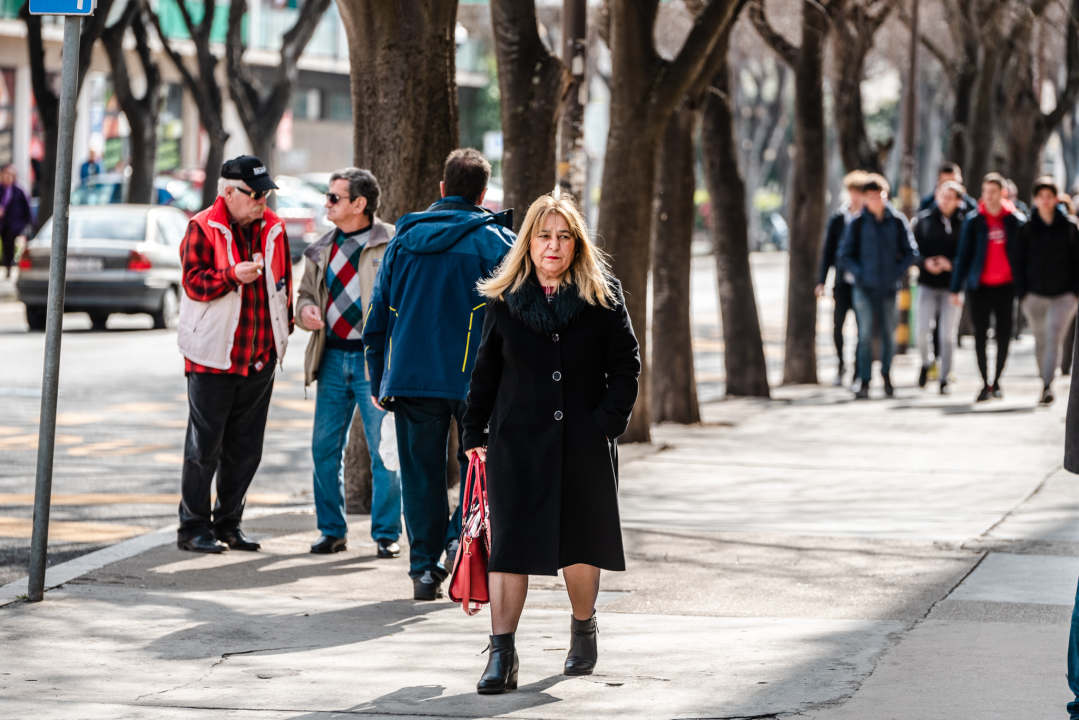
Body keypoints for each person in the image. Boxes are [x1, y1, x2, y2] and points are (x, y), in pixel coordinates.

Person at [461, 194, 640, 694]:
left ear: (576, 243)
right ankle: (502, 653)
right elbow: (485, 375)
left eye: (563, 236)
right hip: (516, 443)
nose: (553, 245)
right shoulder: (505, 297)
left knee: (581, 542)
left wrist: (605, 423)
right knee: (510, 549)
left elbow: (626, 366)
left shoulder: (603, 295)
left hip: (583, 442)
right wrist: (474, 433)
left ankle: (583, 629)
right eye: (544, 236)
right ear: (529, 243)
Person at [363, 148, 514, 600]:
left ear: (442, 189)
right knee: (484, 467)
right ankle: (457, 536)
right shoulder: (497, 244)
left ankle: (423, 571)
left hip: (411, 376)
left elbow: (378, 317)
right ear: (483, 194)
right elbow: (516, 319)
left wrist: (378, 379)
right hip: (479, 380)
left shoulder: (402, 242)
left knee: (420, 475)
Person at [176, 156, 292, 553]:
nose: (263, 201)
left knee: (246, 451)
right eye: (255, 194)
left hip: (259, 356)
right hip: (212, 357)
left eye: (266, 193)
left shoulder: (274, 228)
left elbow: (282, 285)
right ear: (228, 192)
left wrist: (289, 324)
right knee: (204, 447)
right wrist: (231, 277)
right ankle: (193, 528)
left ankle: (229, 525)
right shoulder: (202, 227)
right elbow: (193, 284)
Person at [296, 168, 403, 556]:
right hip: (331, 358)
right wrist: (306, 311)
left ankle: (387, 535)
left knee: (384, 450)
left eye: (334, 198)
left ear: (359, 204)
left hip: (375, 365)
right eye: (327, 196)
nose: (327, 203)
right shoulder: (321, 247)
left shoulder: (391, 242)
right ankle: (331, 530)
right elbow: (305, 296)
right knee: (324, 449)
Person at [837, 174, 919, 399]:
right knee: (864, 335)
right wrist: (860, 274)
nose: (875, 201)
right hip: (863, 288)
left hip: (889, 288)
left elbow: (912, 252)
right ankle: (864, 379)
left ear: (886, 195)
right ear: (865, 199)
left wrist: (897, 273)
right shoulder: (857, 223)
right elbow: (845, 254)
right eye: (870, 197)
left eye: (879, 196)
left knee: (888, 335)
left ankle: (886, 375)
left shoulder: (897, 220)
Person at [950, 172, 1026, 403]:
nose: (988, 196)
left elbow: (1025, 255)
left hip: (1006, 285)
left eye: (993, 191)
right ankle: (985, 383)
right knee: (980, 335)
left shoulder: (1015, 220)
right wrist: (956, 288)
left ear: (1003, 193)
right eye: (985, 191)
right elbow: (962, 255)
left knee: (1004, 334)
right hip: (979, 286)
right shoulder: (974, 221)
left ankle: (998, 380)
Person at [1014, 176, 1079, 405]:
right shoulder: (1027, 228)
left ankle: (1047, 385)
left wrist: (1074, 292)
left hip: (1064, 296)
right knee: (1041, 340)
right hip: (1033, 295)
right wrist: (1022, 293)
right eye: (1041, 197)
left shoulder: (1070, 227)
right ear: (1036, 199)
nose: (1045, 201)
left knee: (1053, 338)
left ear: (1056, 199)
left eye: (1049, 197)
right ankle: (1044, 377)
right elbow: (1018, 262)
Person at [913, 180, 965, 394]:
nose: (945, 201)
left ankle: (944, 377)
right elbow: (912, 251)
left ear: (958, 201)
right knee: (921, 331)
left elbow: (967, 254)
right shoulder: (924, 221)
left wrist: (951, 264)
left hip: (952, 287)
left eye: (950, 197)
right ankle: (926, 363)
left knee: (946, 335)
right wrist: (925, 262)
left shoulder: (964, 223)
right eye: (942, 196)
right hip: (927, 283)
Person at [816, 170, 867, 386]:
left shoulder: (868, 219)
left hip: (863, 282)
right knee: (837, 325)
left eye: (859, 192)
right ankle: (840, 364)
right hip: (841, 282)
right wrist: (821, 280)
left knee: (861, 328)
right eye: (852, 192)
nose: (854, 197)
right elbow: (828, 251)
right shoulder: (838, 218)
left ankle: (857, 370)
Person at [0, 165, 31, 278]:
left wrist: (29, 222)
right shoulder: (1, 190)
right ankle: (8, 264)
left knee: (11, 243)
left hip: (15, 224)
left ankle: (10, 265)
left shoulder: (18, 190)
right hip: (3, 224)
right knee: (6, 245)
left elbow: (26, 208)